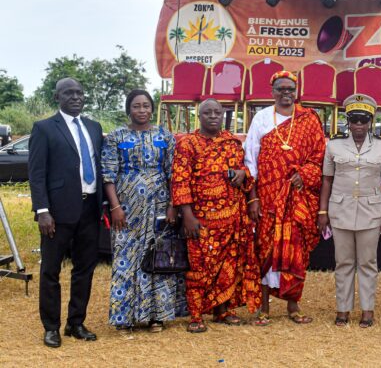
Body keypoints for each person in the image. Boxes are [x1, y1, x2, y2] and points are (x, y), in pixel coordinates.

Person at [243, 70, 326, 326]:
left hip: (297, 197)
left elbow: (319, 156)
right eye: (281, 89)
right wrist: (253, 198)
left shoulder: (309, 118)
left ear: (296, 91)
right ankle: (264, 308)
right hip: (268, 197)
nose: (286, 93)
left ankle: (293, 306)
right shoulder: (262, 118)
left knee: (296, 250)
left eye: (290, 89)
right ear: (273, 92)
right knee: (265, 249)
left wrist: (304, 174)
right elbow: (250, 159)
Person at [171, 99, 260, 333]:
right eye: (207, 112)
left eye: (217, 112)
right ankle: (196, 315)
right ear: (199, 116)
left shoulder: (232, 142)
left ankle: (224, 310)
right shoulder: (187, 144)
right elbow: (180, 180)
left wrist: (242, 174)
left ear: (222, 115)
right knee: (199, 267)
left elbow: (245, 171)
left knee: (228, 265)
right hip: (200, 218)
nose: (213, 116)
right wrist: (187, 215)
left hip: (232, 216)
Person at [28, 78, 105, 348]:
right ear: (56, 97)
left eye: (79, 93)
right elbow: (37, 174)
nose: (75, 97)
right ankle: (51, 327)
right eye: (68, 93)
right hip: (57, 213)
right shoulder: (44, 128)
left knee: (85, 268)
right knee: (50, 270)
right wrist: (42, 210)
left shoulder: (94, 127)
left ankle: (76, 323)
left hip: (90, 208)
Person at [101, 89, 186, 332]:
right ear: (129, 109)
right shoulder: (116, 136)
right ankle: (124, 317)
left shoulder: (164, 136)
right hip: (127, 208)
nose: (141, 110)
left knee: (158, 255)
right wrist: (115, 207)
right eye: (136, 106)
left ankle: (156, 316)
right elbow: (108, 175)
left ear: (152, 108)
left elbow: (173, 174)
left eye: (146, 106)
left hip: (159, 205)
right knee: (126, 257)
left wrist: (172, 206)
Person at [317, 94, 381, 328]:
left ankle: (367, 310)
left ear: (370, 122)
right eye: (354, 120)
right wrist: (323, 212)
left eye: (363, 120)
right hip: (340, 210)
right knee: (343, 262)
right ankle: (343, 309)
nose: (359, 125)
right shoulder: (333, 145)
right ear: (348, 122)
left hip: (371, 212)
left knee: (368, 262)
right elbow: (327, 180)